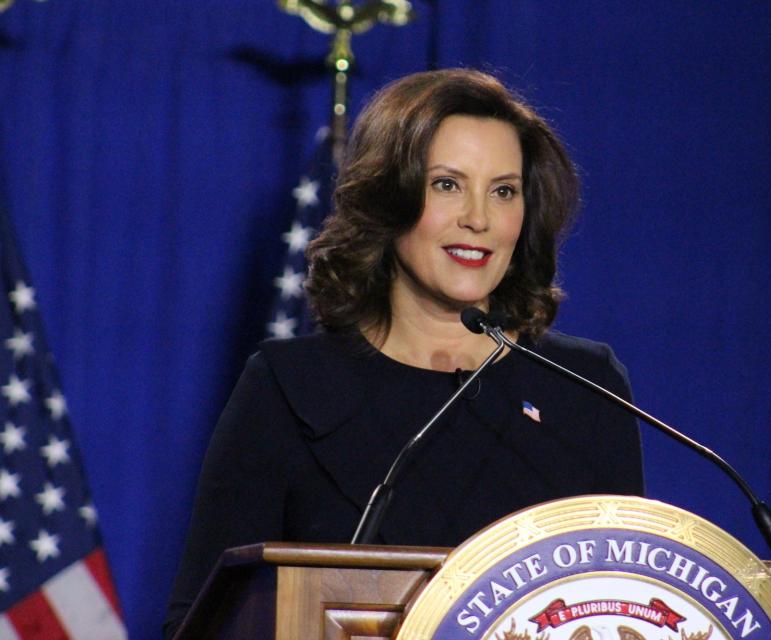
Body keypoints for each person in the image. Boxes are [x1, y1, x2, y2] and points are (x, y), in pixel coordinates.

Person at [164, 68, 644, 638]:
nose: (479, 218)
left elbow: (620, 602)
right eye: (447, 184)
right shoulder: (292, 387)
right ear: (387, 198)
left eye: (504, 191)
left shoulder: (584, 388)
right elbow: (202, 622)